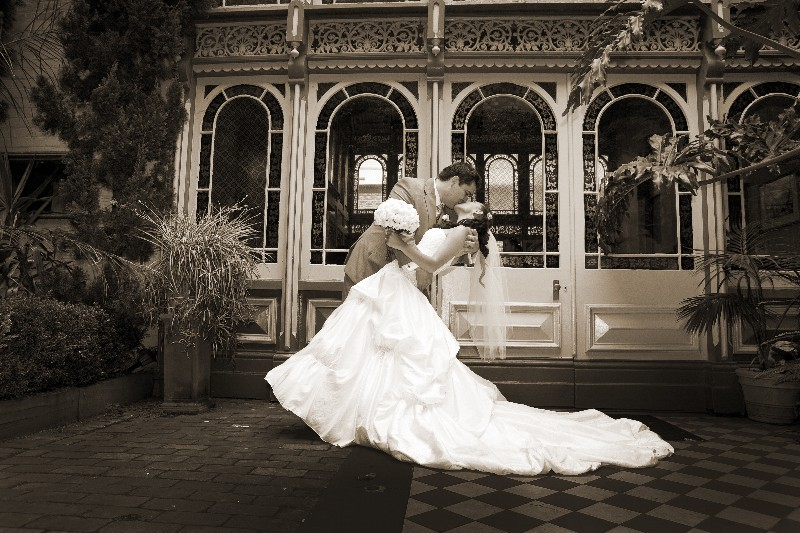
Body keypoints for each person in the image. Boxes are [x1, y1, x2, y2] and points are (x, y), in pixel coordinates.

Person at [266, 201, 674, 476]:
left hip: (401, 286)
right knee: (370, 350)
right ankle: (356, 410)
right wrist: (401, 241)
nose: (470, 199)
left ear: (477, 217)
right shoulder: (453, 228)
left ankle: (369, 415)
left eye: (476, 202)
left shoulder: (461, 232)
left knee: (397, 356)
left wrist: (402, 243)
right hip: (396, 285)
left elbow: (429, 264)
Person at [342, 161, 481, 298]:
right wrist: (417, 266)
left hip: (401, 282)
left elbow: (448, 247)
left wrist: (472, 249)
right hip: (372, 266)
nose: (466, 200)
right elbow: (395, 230)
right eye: (466, 193)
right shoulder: (409, 186)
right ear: (454, 181)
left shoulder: (453, 212)